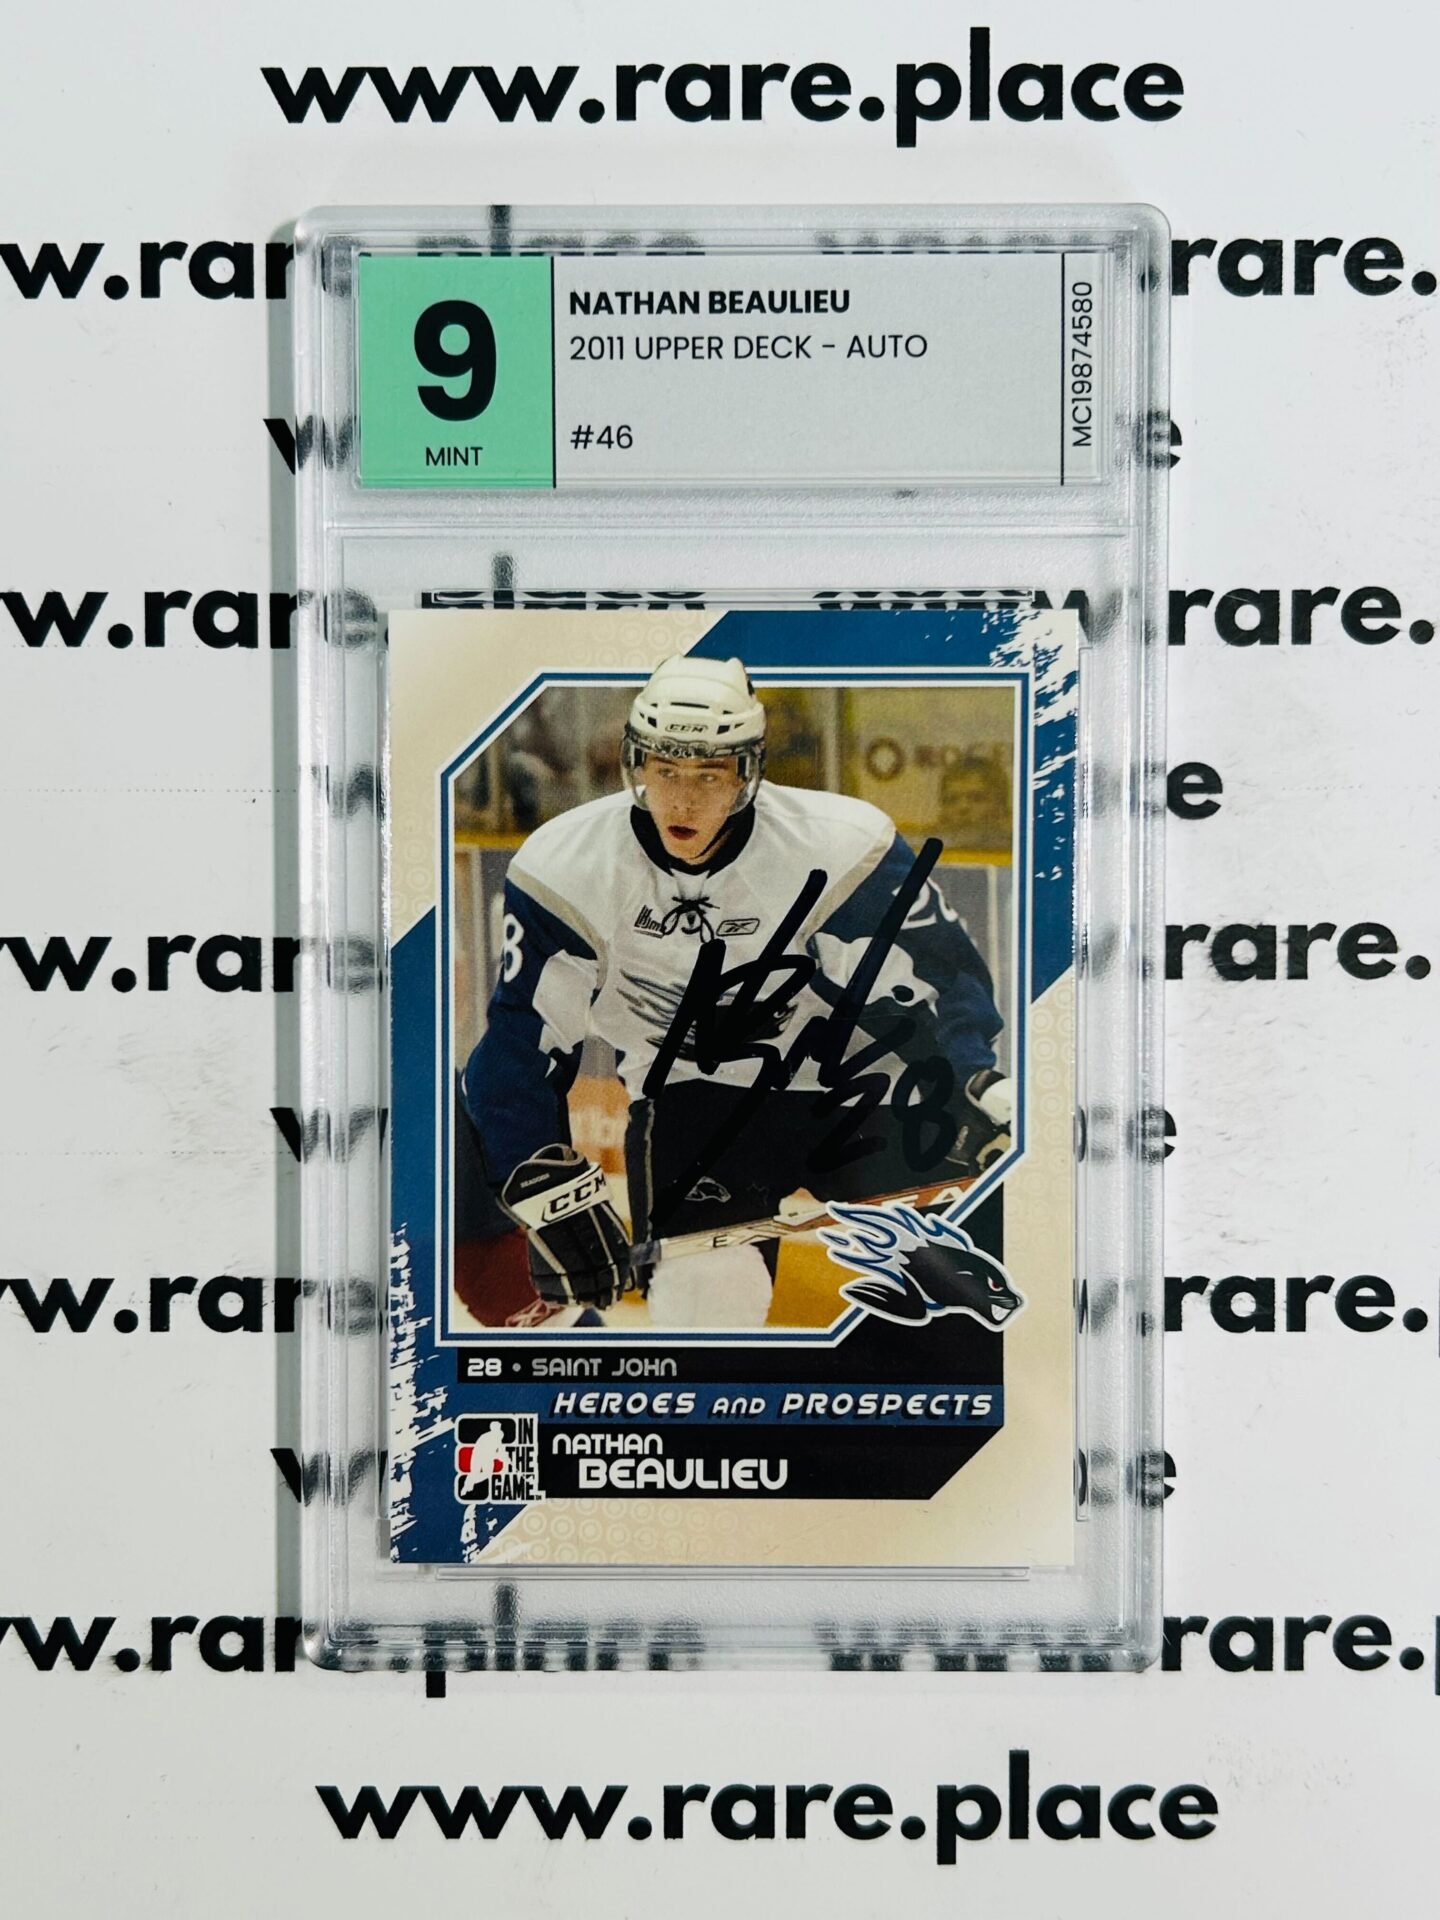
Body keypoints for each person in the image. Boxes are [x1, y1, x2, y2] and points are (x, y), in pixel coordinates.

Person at [458, 654, 1011, 1329]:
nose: (683, 800)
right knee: (702, 1306)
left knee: (963, 1301)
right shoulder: (565, 868)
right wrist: (542, 1179)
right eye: (665, 771)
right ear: (636, 764)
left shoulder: (841, 845)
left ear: (747, 772)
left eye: (708, 774)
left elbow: (941, 972)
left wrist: (971, 1074)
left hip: (856, 1094)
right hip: (696, 1104)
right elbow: (520, 1042)